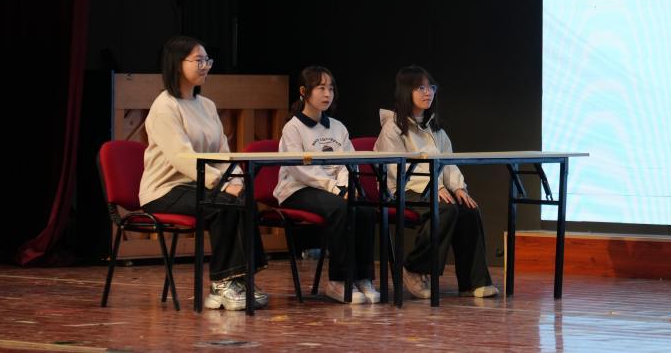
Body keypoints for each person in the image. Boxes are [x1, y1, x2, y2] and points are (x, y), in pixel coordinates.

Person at [139, 35, 268, 311]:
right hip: (166, 190)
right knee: (222, 204)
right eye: (198, 60)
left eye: (207, 60)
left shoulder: (207, 105)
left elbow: (222, 152)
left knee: (243, 198)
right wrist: (221, 184)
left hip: (199, 184)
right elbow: (182, 157)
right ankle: (221, 283)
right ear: (177, 64)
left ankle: (241, 278)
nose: (206, 66)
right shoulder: (164, 107)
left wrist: (234, 180)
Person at [376, 66, 498, 300]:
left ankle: (473, 282)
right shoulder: (392, 128)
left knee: (468, 209)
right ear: (406, 91)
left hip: (432, 190)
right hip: (402, 191)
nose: (427, 92)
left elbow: (448, 162)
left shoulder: (435, 129)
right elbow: (396, 170)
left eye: (430, 87)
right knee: (444, 208)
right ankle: (414, 268)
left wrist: (458, 187)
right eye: (420, 88)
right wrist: (433, 187)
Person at [274, 66, 381, 304]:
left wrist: (346, 186)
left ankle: (362, 277)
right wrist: (336, 189)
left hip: (334, 189)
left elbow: (348, 163)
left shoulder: (337, 127)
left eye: (331, 89)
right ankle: (339, 280)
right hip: (298, 189)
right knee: (340, 208)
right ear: (304, 92)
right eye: (321, 88)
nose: (327, 94)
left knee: (363, 209)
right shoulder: (293, 128)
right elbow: (300, 169)